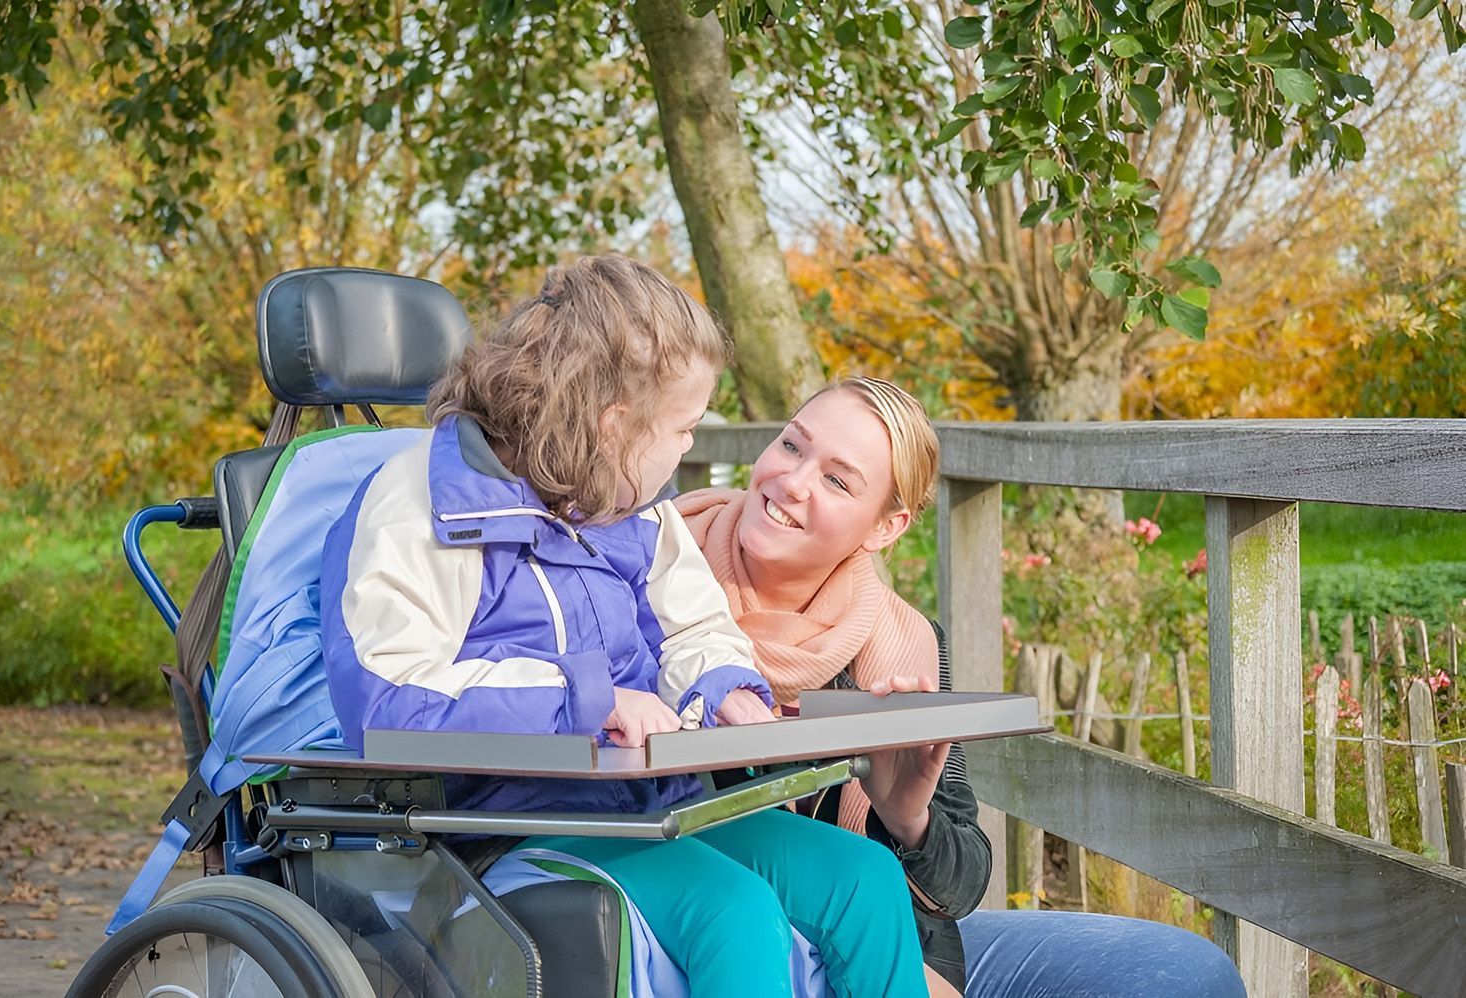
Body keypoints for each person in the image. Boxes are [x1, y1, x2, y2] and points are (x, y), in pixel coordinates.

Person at [318, 258, 928, 996]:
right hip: (496, 829)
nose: (685, 453)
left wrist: (724, 688)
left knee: (861, 876)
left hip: (644, 808)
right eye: (683, 429)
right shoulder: (420, 503)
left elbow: (692, 628)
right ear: (616, 426)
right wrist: (590, 699)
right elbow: (387, 698)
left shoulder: (631, 504)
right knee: (734, 912)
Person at [676, 376, 1247, 997]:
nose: (792, 481)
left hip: (895, 942)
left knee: (1186, 973)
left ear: (884, 528)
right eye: (792, 445)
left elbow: (961, 884)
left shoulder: (904, 643)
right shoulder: (651, 585)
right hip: (726, 935)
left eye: (838, 481)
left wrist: (905, 816)